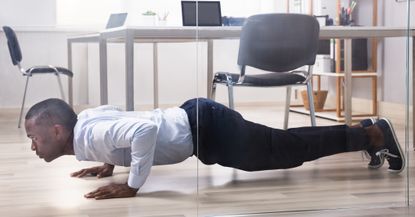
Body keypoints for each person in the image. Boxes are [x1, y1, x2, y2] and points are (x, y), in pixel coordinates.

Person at [24, 98, 405, 200]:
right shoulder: (87, 125)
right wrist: (109, 163)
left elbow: (140, 130)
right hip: (202, 122)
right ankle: (365, 134)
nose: (33, 146)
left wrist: (133, 184)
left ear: (57, 131)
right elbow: (112, 117)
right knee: (283, 147)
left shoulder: (90, 138)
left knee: (285, 150)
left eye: (35, 137)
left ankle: (370, 135)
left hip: (207, 130)